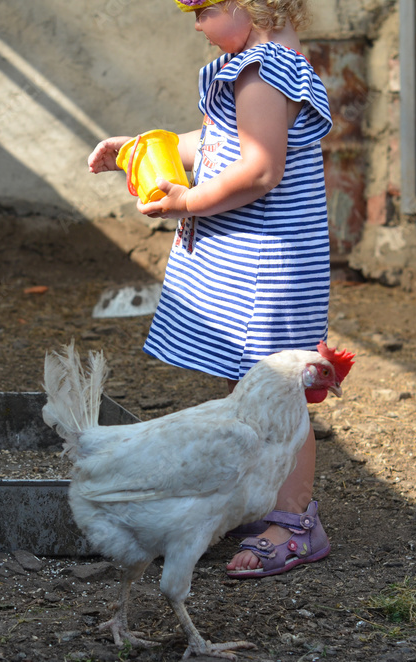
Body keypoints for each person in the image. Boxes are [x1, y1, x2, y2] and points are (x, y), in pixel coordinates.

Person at [86, 0, 332, 578]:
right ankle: (265, 505)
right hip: (254, 259)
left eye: (203, 8)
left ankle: (295, 522)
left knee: (280, 394)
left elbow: (260, 169)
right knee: (257, 388)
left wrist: (184, 201)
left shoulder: (263, 68)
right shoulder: (267, 64)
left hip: (263, 265)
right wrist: (139, 148)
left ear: (253, 4)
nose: (195, 23)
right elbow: (219, 142)